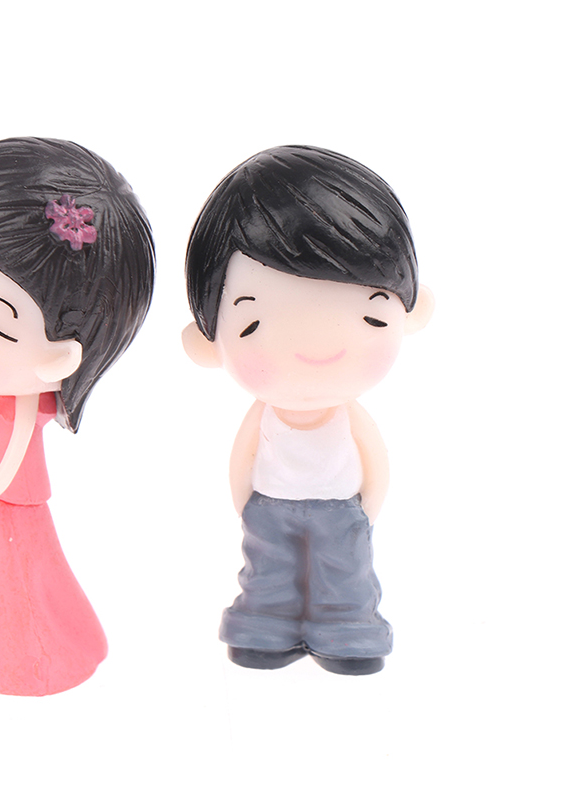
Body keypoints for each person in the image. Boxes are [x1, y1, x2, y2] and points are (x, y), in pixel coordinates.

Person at [0, 138, 154, 695]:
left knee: (12, 576)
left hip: (7, 504)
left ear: (60, 356)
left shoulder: (24, 406)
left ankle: (27, 660)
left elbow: (8, 462)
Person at [183, 145, 433, 675]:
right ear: (209, 342)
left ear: (411, 311)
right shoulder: (263, 415)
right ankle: (263, 627)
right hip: (270, 507)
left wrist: (365, 512)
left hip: (340, 510)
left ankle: (348, 630)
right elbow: (240, 461)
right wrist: (247, 507)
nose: (316, 345)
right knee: (267, 573)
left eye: (369, 317)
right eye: (252, 324)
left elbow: (376, 462)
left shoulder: (349, 414)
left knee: (345, 575)